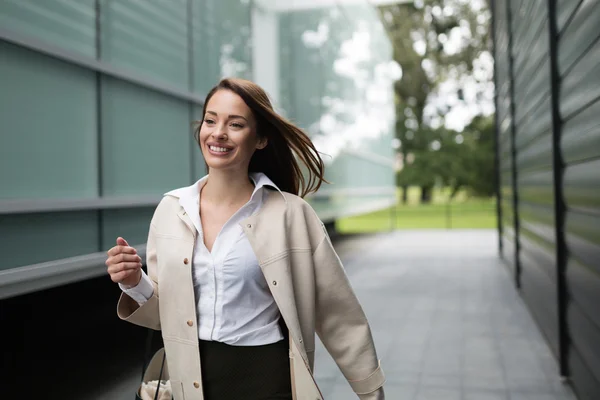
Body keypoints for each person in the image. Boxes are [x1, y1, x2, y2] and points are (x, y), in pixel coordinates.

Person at [105, 78, 385, 400]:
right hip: (190, 382)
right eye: (211, 120)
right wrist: (133, 281)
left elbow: (339, 314)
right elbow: (164, 315)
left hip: (267, 380)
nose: (218, 133)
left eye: (235, 124)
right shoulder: (171, 210)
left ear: (261, 138)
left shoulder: (291, 215)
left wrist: (371, 391)